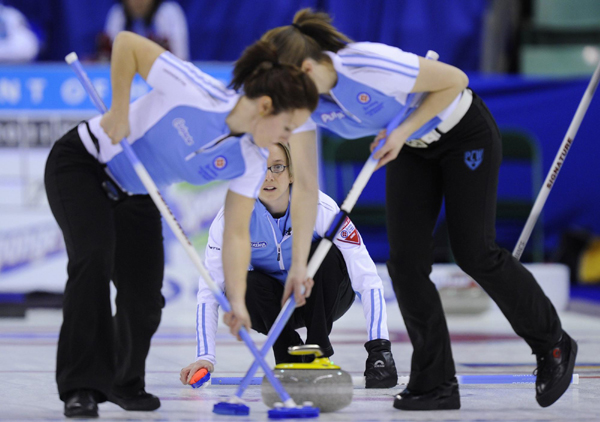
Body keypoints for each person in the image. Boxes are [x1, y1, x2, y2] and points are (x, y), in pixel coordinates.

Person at [259, 8, 577, 411]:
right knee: (406, 263)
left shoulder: (367, 63)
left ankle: (553, 345)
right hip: (411, 148)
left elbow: (455, 81)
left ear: (306, 68)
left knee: (474, 252)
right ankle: (436, 382)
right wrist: (300, 264)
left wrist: (403, 130)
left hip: (463, 134)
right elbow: (304, 186)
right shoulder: (302, 107)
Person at [44, 31, 318, 418]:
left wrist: (237, 302)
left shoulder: (251, 158)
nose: (288, 138)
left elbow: (238, 232)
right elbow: (126, 44)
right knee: (93, 261)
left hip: (138, 192)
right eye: (288, 127)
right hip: (84, 165)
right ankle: (81, 387)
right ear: (266, 107)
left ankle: (123, 382)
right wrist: (119, 110)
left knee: (144, 296)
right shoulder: (195, 90)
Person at [179, 142, 398, 389]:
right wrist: (205, 357)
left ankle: (316, 354)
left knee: (323, 253)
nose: (268, 177)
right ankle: (288, 357)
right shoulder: (230, 218)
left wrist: (380, 348)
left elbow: (367, 278)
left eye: (278, 167)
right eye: (260, 169)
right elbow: (211, 290)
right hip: (271, 307)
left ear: (292, 173)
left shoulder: (321, 208)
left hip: (326, 298)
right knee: (243, 281)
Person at [98, 0, 189, 61]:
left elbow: (181, 58)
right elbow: (108, 58)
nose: (138, 1)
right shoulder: (117, 13)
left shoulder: (169, 12)